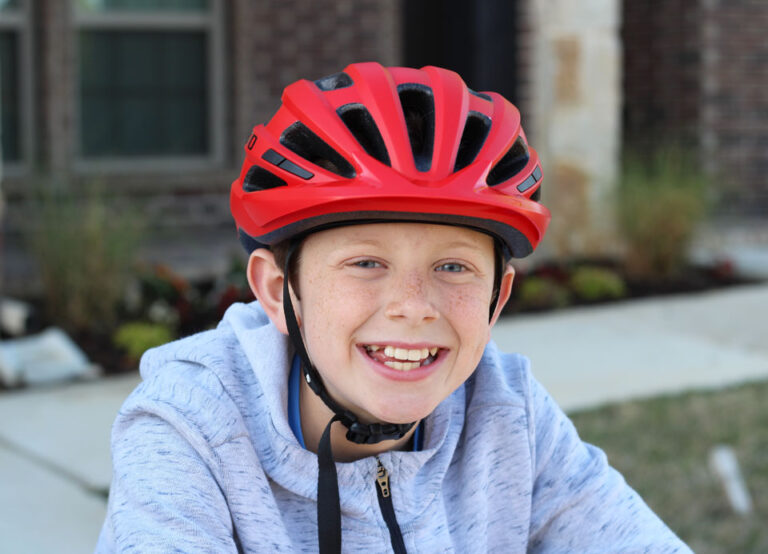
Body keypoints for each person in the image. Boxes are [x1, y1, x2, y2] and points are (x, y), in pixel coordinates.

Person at [96, 62, 691, 553]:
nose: (413, 307)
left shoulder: (508, 416)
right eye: (365, 263)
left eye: (453, 267)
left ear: (496, 298)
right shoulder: (190, 427)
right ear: (278, 291)